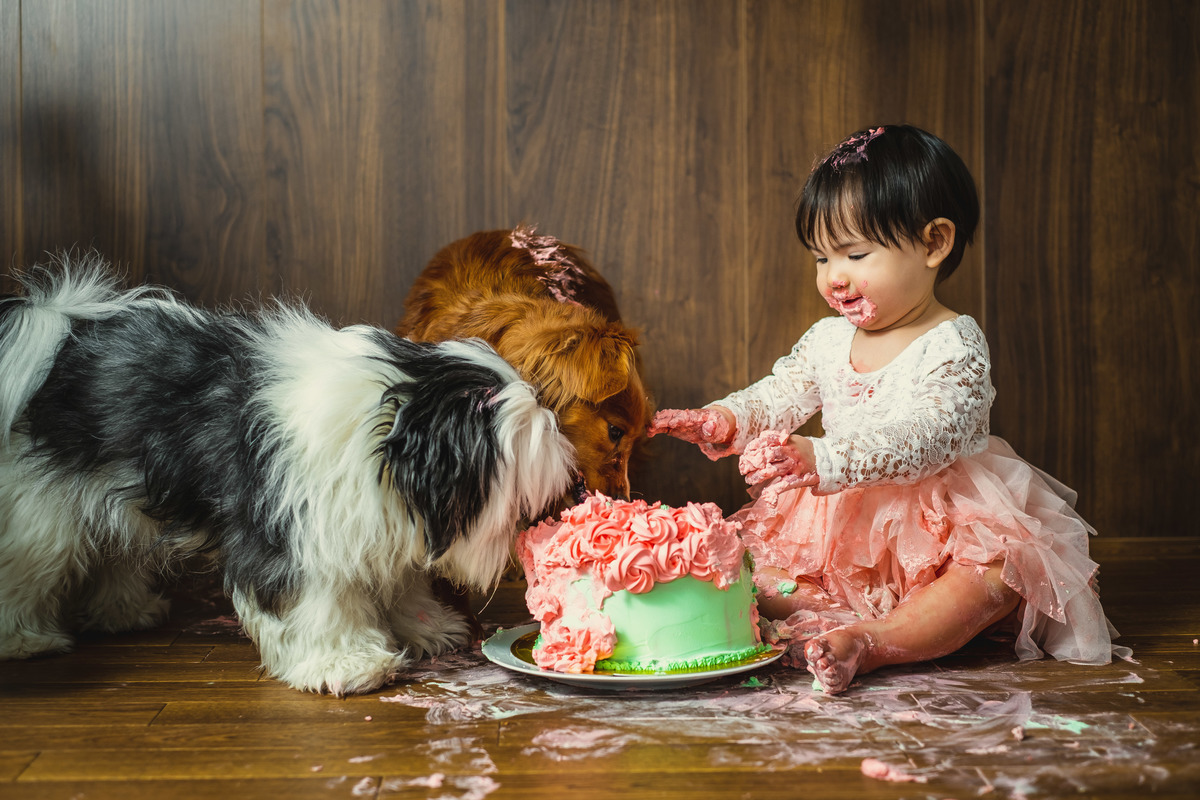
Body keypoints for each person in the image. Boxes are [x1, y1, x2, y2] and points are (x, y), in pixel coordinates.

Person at [649, 124, 1128, 694]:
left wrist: (825, 458)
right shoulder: (828, 339)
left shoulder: (954, 342)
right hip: (837, 524)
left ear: (933, 244)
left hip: (937, 519)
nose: (835, 277)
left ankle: (877, 642)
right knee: (741, 567)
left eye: (855, 253)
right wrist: (724, 418)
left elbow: (931, 436)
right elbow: (779, 393)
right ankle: (826, 611)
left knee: (1004, 572)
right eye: (821, 257)